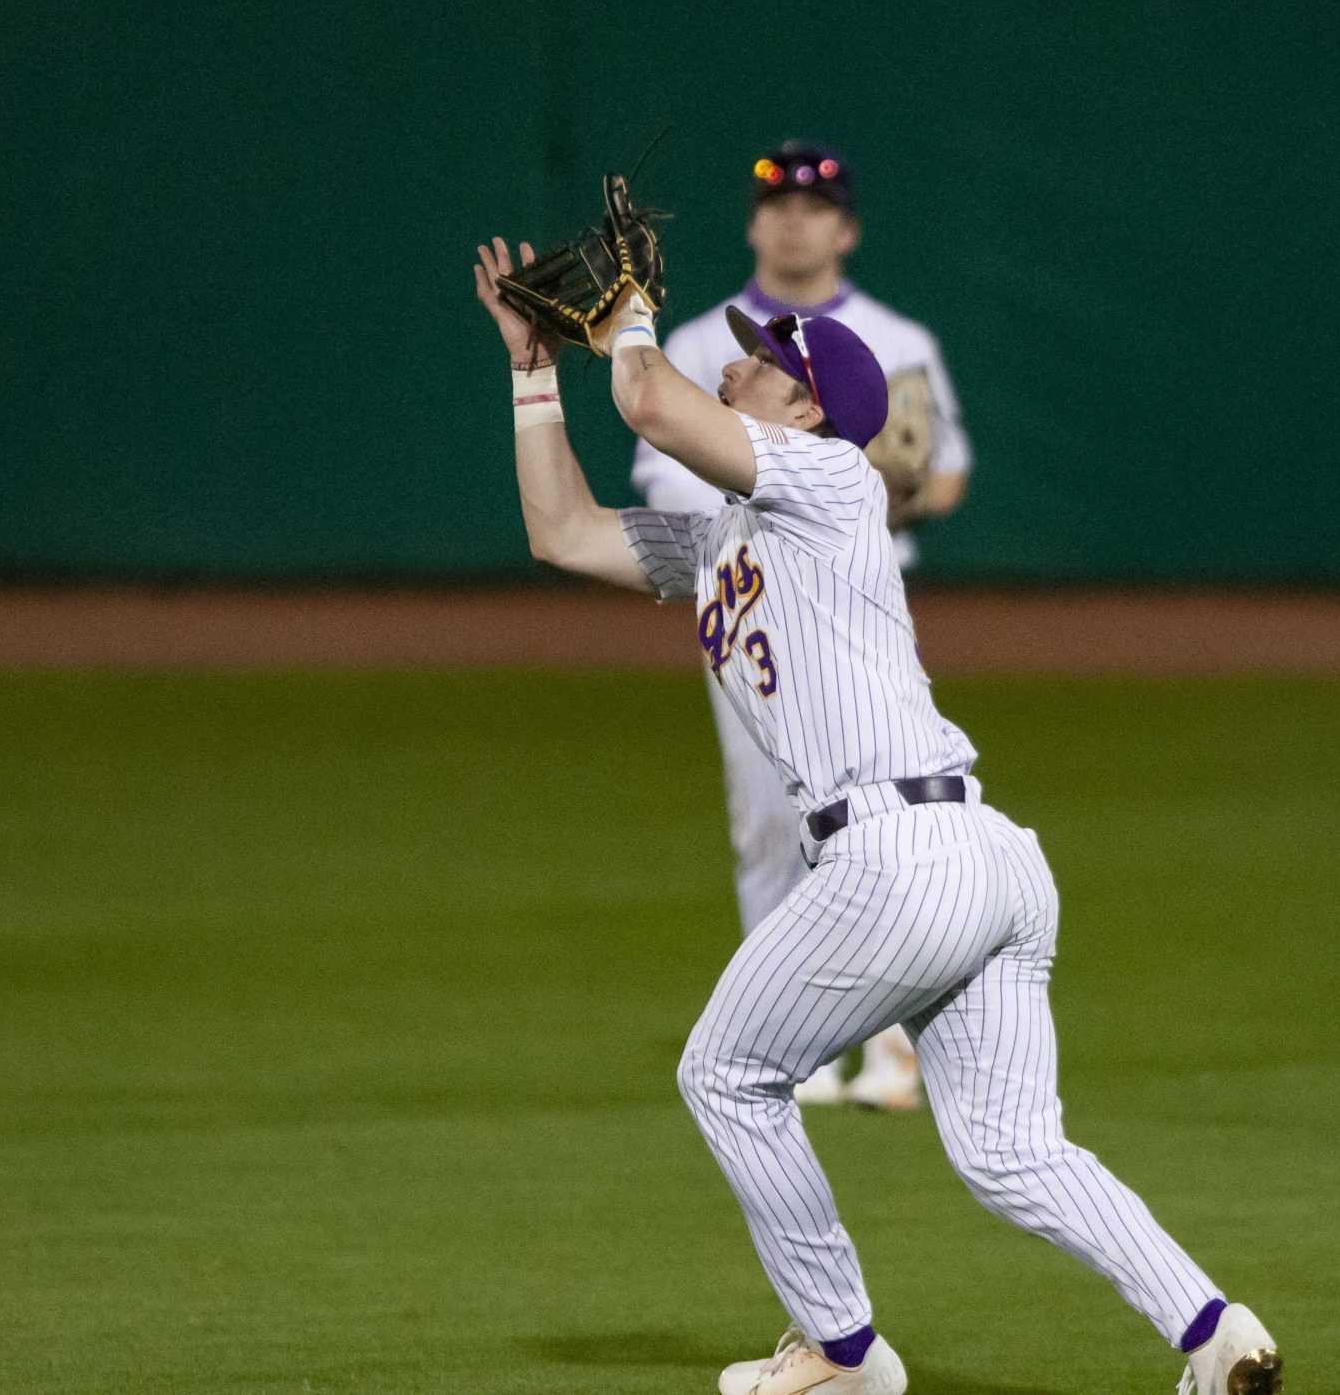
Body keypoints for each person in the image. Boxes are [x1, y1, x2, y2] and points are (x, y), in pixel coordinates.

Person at [469, 234, 1282, 1395]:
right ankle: (1215, 1330)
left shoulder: (828, 478)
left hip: (896, 856)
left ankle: (845, 1351)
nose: (736, 365)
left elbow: (650, 398)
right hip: (984, 859)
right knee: (1014, 1152)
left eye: (758, 363)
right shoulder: (722, 541)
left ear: (806, 410)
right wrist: (530, 366)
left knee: (725, 1074)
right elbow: (562, 532)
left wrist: (632, 317)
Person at [631, 140, 970, 1112]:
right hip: (745, 607)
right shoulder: (700, 341)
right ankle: (798, 1044)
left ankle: (896, 1044)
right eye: (776, 203)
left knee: (870, 809)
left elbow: (941, 470)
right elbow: (668, 477)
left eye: (816, 205)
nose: (794, 219)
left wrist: (871, 495)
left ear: (846, 226)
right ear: (752, 222)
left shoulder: (895, 339)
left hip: (854, 607)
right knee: (768, 824)